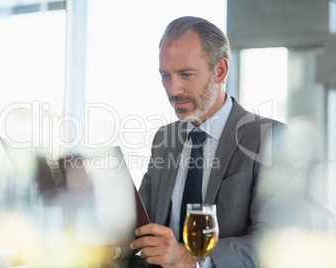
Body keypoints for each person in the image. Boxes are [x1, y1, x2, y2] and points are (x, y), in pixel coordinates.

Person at [129, 16, 302, 267]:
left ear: (220, 70)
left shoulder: (269, 138)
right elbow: (139, 223)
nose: (173, 89)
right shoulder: (164, 139)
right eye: (165, 75)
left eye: (186, 74)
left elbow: (275, 242)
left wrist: (191, 260)